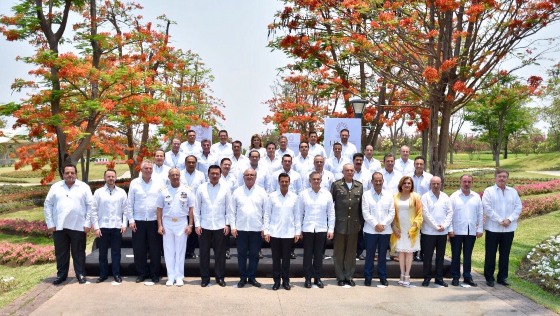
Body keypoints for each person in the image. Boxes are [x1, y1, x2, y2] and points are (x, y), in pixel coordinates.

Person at [44, 164, 93, 285]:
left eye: (72, 172)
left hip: (78, 225)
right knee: (61, 253)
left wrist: (88, 223)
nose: (70, 175)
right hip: (59, 226)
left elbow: (91, 206)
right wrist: (50, 223)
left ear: (76, 174)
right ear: (63, 174)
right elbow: (48, 205)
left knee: (79, 252)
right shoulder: (56, 187)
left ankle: (80, 274)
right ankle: (61, 275)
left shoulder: (83, 187)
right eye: (67, 173)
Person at [89, 169, 130, 283]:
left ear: (116, 178)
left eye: (113, 176)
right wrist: (96, 227)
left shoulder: (121, 192)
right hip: (103, 227)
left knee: (116, 252)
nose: (111, 178)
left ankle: (116, 274)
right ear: (105, 178)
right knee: (102, 253)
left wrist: (124, 224)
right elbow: (93, 210)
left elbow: (125, 210)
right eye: (108, 176)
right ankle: (103, 275)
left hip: (117, 227)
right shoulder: (98, 192)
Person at [482, 168, 522, 287]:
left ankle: (502, 277)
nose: (502, 178)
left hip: (508, 229)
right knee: (490, 254)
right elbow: (487, 208)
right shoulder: (489, 191)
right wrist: (500, 220)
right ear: (495, 178)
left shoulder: (513, 192)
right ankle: (489, 277)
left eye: (504, 176)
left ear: (507, 178)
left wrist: (509, 219)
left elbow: (518, 207)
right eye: (500, 176)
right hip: (493, 228)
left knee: (505, 254)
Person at [156, 168, 195, 287]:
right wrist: (159, 225)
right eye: (173, 175)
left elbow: (191, 208)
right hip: (167, 222)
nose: (175, 177)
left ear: (180, 176)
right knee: (168, 251)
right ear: (169, 176)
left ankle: (179, 277)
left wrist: (190, 225)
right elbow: (159, 209)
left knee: (180, 251)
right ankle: (170, 276)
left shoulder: (187, 190)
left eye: (177, 175)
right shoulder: (163, 191)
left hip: (181, 222)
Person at [127, 159, 164, 284]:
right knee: (139, 249)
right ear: (141, 170)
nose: (148, 170)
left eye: (150, 169)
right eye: (146, 168)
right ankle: (142, 273)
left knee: (155, 249)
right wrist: (131, 220)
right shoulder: (134, 183)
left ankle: (154, 273)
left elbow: (162, 202)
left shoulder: (159, 182)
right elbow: (129, 202)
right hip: (139, 220)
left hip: (154, 220)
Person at [230, 169, 269, 288]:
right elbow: (232, 211)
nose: (249, 177)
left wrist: (265, 228)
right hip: (240, 229)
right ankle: (242, 278)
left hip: (256, 229)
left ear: (256, 177)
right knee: (241, 255)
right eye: (247, 175)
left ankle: (252, 277)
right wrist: (233, 227)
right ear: (243, 177)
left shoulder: (262, 192)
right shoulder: (237, 192)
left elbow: (266, 212)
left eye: (252, 175)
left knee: (254, 255)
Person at [297, 171, 335, 288]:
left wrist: (331, 229)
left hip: (321, 228)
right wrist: (298, 230)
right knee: (307, 255)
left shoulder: (327, 194)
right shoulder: (303, 194)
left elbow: (331, 213)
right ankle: (308, 278)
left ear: (321, 180)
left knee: (319, 255)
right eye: (314, 179)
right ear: (310, 181)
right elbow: (299, 213)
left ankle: (317, 278)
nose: (316, 181)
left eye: (318, 179)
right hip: (308, 229)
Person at [195, 165, 231, 287]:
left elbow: (229, 208)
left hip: (220, 225)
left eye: (217, 173)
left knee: (220, 254)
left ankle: (220, 277)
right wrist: (197, 225)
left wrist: (227, 224)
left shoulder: (226, 188)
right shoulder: (201, 188)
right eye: (212, 173)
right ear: (208, 174)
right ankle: (205, 278)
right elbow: (196, 208)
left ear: (220, 175)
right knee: (204, 253)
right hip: (204, 226)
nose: (214, 175)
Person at [264, 173, 299, 290]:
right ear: (278, 182)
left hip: (289, 233)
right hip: (275, 232)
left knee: (286, 260)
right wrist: (266, 231)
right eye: (282, 181)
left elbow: (297, 216)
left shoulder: (294, 197)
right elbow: (267, 215)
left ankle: (286, 281)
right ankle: (276, 281)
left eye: (286, 181)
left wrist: (297, 232)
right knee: (276, 259)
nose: (284, 183)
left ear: (289, 182)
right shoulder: (272, 196)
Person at [331, 163, 363, 287]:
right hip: (339, 224)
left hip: (354, 224)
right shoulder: (336, 185)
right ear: (343, 172)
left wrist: (360, 222)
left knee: (351, 252)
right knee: (338, 253)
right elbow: (331, 204)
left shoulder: (359, 186)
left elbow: (360, 207)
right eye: (347, 170)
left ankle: (349, 276)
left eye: (351, 170)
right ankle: (340, 277)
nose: (349, 172)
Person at [449, 174, 483, 287]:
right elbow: (449, 214)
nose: (467, 184)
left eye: (469, 181)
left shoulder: (476, 197)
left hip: (471, 231)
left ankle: (467, 277)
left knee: (468, 255)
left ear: (472, 183)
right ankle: (455, 277)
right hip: (457, 231)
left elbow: (480, 214)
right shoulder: (454, 197)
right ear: (460, 182)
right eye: (464, 181)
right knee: (456, 255)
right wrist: (450, 229)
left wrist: (480, 228)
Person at [362, 172, 394, 286]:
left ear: (383, 181)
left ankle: (382, 276)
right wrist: (376, 225)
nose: (378, 182)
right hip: (371, 230)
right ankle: (368, 277)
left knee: (382, 256)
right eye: (376, 180)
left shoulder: (389, 195)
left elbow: (392, 213)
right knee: (370, 255)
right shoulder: (366, 195)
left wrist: (383, 225)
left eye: (380, 180)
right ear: (372, 182)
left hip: (385, 230)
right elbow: (365, 213)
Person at [390, 176, 423, 286]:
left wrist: (413, 229)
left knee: (409, 252)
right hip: (399, 228)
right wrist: (394, 227)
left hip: (411, 229)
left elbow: (419, 214)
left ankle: (407, 275)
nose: (407, 185)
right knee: (401, 252)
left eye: (409, 183)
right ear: (401, 184)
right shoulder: (395, 196)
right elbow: (392, 214)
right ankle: (402, 274)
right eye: (405, 183)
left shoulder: (416, 197)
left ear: (412, 185)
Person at [420, 176, 452, 287]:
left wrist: (444, 225)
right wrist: (435, 226)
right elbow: (425, 214)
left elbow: (450, 213)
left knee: (440, 256)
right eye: (433, 183)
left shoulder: (445, 197)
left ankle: (439, 278)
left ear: (441, 184)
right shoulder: (425, 197)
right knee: (428, 256)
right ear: (430, 184)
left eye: (438, 183)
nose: (436, 185)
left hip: (442, 232)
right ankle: (426, 278)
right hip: (429, 232)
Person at [180, 155, 205, 259]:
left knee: (194, 231)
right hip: (181, 207)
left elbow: (204, 189)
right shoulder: (180, 174)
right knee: (182, 231)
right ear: (185, 163)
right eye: (189, 162)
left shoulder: (201, 175)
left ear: (196, 163)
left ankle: (190, 251)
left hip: (195, 206)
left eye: (193, 162)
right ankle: (182, 251)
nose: (191, 164)